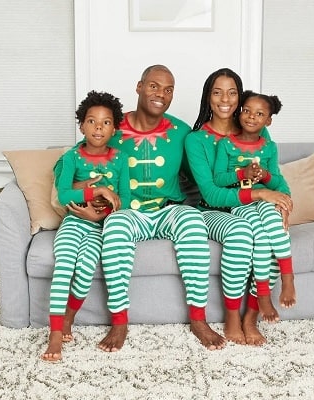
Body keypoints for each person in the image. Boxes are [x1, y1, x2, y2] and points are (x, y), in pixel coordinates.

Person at [97, 64, 226, 352]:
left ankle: (198, 319)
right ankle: (119, 322)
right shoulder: (111, 127)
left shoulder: (181, 132)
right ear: (139, 86)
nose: (161, 94)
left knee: (192, 220)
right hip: (129, 212)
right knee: (115, 226)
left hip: (168, 209)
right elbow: (84, 159)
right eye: (154, 86)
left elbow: (202, 177)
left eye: (168, 89)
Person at [185, 68, 293, 346]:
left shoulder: (256, 129)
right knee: (242, 232)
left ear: (240, 98)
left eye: (232, 92)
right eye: (217, 92)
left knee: (268, 231)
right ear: (208, 97)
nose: (225, 99)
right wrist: (258, 193)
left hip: (252, 207)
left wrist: (283, 202)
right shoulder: (196, 140)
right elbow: (212, 192)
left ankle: (251, 317)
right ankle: (233, 318)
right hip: (212, 210)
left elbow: (276, 179)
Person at [41, 90, 130, 361]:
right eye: (91, 121)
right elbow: (65, 194)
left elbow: (124, 200)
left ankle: (69, 316)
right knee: (64, 266)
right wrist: (98, 190)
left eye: (105, 122)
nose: (98, 127)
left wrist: (100, 216)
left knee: (84, 272)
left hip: (100, 227)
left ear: (114, 127)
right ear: (81, 125)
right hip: (74, 223)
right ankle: (55, 335)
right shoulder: (72, 157)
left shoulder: (121, 159)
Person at [213, 89, 296, 323]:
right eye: (247, 111)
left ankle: (288, 277)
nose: (251, 117)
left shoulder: (269, 147)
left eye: (259, 114)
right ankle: (263, 294)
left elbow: (278, 182)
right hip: (241, 204)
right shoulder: (227, 145)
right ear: (239, 114)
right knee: (259, 234)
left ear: (268, 120)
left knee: (273, 221)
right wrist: (243, 173)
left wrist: (265, 176)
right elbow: (218, 179)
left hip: (265, 200)